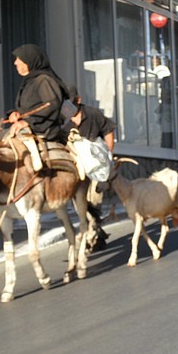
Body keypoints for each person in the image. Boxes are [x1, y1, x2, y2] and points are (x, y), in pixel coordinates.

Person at [63, 84, 117, 251]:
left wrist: (108, 156)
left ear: (78, 101)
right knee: (82, 205)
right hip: (79, 170)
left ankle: (94, 236)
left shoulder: (92, 114)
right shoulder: (66, 123)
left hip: (96, 168)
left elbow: (108, 131)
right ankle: (94, 234)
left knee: (95, 201)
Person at [7, 44, 68, 143]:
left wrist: (27, 122)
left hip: (44, 129)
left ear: (30, 61)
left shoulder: (43, 80)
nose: (15, 63)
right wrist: (16, 113)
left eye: (19, 59)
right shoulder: (29, 81)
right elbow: (31, 107)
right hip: (28, 127)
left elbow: (51, 106)